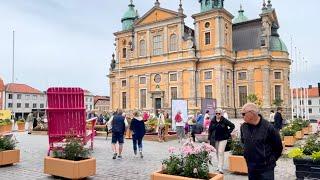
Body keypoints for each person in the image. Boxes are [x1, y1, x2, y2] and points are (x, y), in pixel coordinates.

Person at [240, 103, 283, 180]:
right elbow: (244, 142)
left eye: (243, 114)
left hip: (266, 169)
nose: (242, 116)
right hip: (251, 167)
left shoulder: (268, 127)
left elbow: (278, 147)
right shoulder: (243, 127)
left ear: (252, 113)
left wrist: (270, 160)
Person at [208, 108, 235, 174]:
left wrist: (228, 132)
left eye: (219, 113)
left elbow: (232, 126)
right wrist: (209, 139)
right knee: (217, 152)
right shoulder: (213, 120)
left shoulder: (224, 120)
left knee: (220, 152)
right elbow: (210, 130)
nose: (217, 115)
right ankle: (219, 165)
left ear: (221, 114)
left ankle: (220, 167)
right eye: (216, 113)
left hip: (223, 138)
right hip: (215, 138)